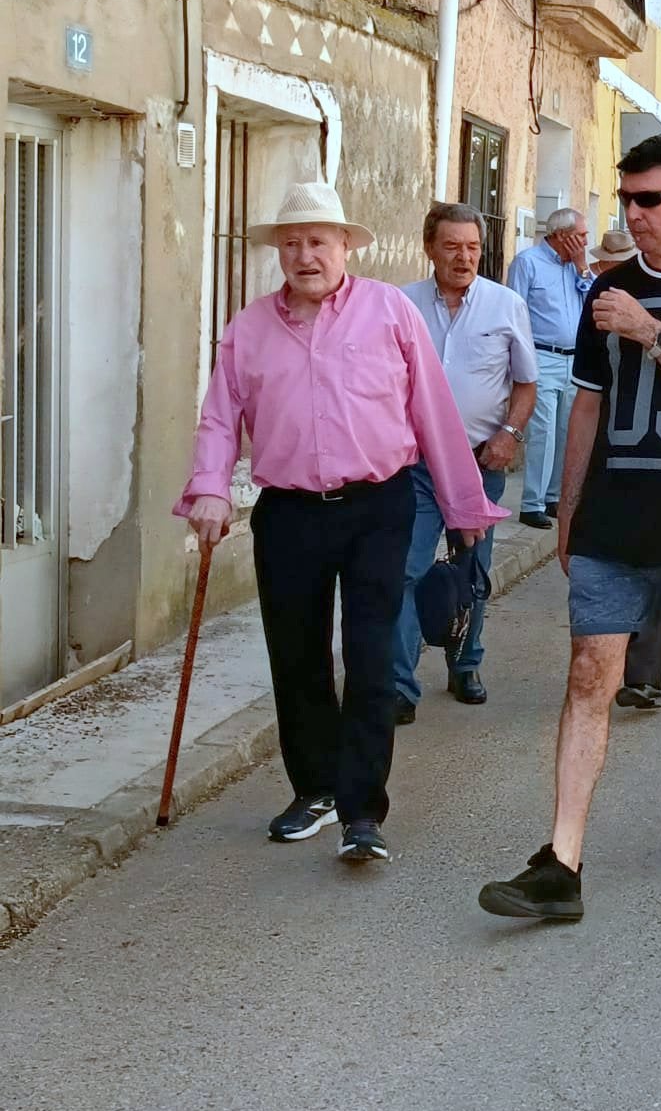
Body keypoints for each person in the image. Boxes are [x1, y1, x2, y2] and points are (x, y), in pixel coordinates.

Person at [479, 134, 661, 921]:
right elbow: (586, 405)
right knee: (587, 675)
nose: (633, 214)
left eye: (647, 199)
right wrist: (567, 512)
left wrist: (651, 331)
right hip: (614, 519)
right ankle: (562, 861)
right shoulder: (605, 289)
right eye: (626, 199)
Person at [178, 183, 505, 864]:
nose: (305, 255)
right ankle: (316, 789)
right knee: (295, 656)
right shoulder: (249, 329)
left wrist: (463, 504)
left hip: (378, 507)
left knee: (371, 655)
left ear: (346, 247)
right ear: (279, 253)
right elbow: (219, 417)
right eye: (292, 243)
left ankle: (363, 810)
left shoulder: (387, 312)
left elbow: (433, 413)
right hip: (290, 512)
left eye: (318, 240)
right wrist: (209, 488)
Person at [392, 203, 537, 721]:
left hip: (480, 463)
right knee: (405, 571)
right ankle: (399, 684)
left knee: (471, 571)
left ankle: (465, 663)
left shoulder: (505, 305)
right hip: (417, 467)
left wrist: (510, 433)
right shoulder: (401, 303)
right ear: (430, 248)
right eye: (452, 246)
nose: (463, 256)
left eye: (472, 247)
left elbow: (526, 382)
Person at [506, 207, 593, 529]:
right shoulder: (528, 263)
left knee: (567, 429)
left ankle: (554, 496)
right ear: (561, 236)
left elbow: (594, 301)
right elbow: (514, 313)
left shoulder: (577, 269)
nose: (585, 241)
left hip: (574, 358)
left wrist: (582, 268)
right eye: (581, 236)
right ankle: (532, 502)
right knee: (543, 430)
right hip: (542, 356)